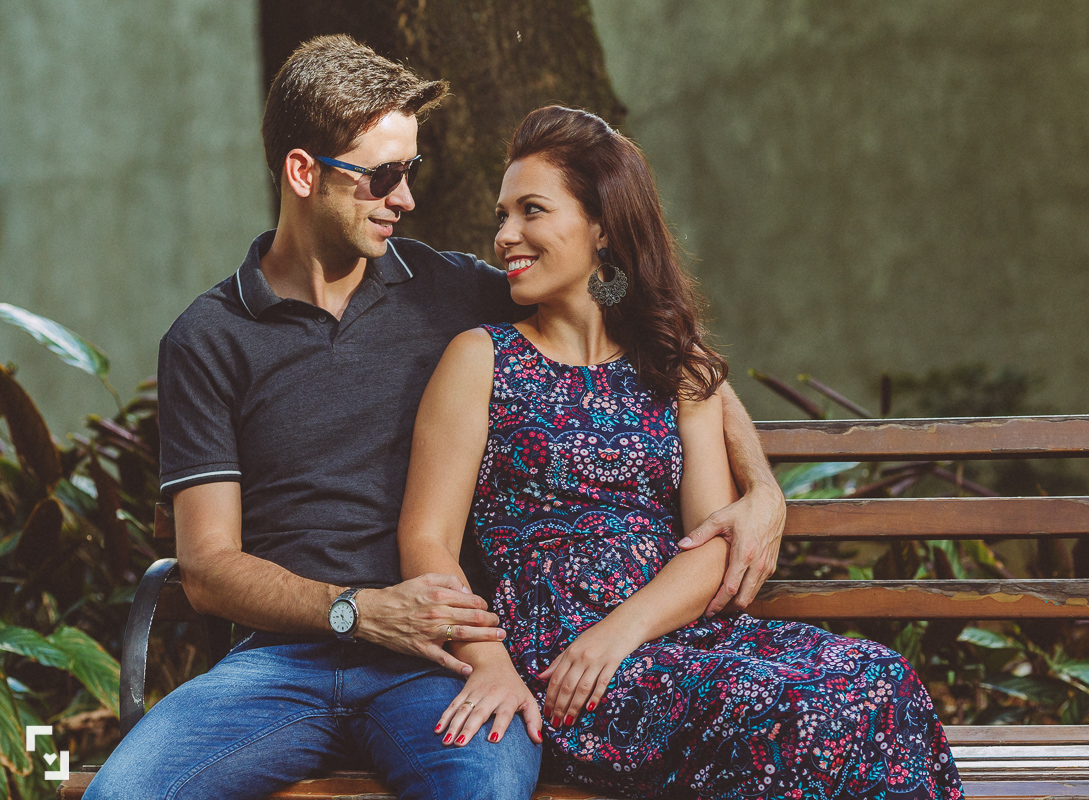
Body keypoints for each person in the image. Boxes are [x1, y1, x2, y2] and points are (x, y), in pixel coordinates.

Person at [84, 36, 785, 800]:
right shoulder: (207, 338)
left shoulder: (455, 291)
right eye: (383, 176)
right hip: (276, 668)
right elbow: (208, 568)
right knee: (120, 795)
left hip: (439, 663)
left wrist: (761, 488)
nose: (406, 199)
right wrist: (359, 613)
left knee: (486, 788)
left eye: (410, 171)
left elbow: (659, 348)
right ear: (303, 172)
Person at [398, 106, 964, 800]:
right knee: (791, 713)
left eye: (532, 211)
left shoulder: (672, 367)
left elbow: (710, 538)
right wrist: (489, 661)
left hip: (669, 636)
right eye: (502, 214)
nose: (505, 234)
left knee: (882, 678)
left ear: (603, 227)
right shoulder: (481, 358)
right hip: (563, 663)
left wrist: (621, 632)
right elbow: (426, 539)